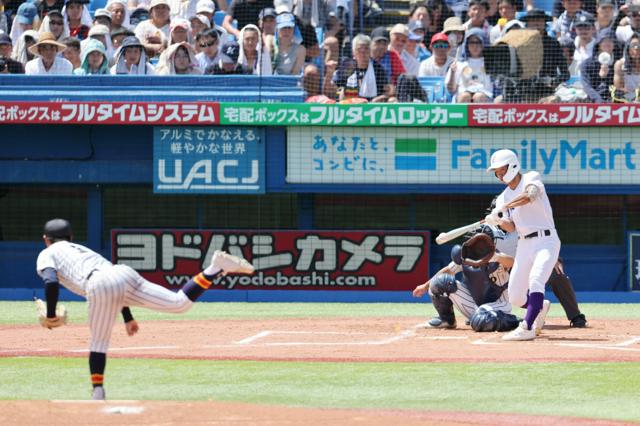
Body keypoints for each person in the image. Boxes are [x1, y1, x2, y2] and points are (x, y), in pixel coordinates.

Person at [36, 218, 255, 400]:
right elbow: (112, 282)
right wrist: (127, 316)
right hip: (123, 273)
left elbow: (51, 282)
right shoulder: (83, 250)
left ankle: (98, 394)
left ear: (46, 240)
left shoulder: (47, 253)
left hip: (99, 283)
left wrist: (51, 313)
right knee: (178, 303)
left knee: (99, 343)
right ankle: (215, 267)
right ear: (71, 238)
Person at [485, 149, 560, 341]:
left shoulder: (531, 178)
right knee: (516, 296)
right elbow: (511, 228)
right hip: (524, 243)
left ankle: (527, 326)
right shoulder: (502, 197)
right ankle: (540, 307)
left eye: (502, 170)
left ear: (512, 165)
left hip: (546, 240)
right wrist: (498, 220)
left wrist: (506, 207)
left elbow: (530, 195)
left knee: (536, 280)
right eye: (497, 172)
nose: (499, 176)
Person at [412, 229, 520, 332]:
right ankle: (447, 320)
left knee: (481, 320)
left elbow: (512, 263)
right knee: (440, 282)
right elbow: (448, 270)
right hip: (475, 305)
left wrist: (495, 257)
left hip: (499, 305)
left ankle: (515, 321)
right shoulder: (466, 255)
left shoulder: (498, 256)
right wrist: (425, 286)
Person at [521, 9, 570, 101]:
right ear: (527, 24)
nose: (536, 24)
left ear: (544, 24)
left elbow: (565, 74)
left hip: (546, 92)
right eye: (533, 21)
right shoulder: (519, 44)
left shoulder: (553, 44)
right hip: (523, 92)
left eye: (540, 21)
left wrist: (554, 81)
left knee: (552, 101)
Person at [330, 34, 391, 102]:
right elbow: (334, 85)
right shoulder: (347, 66)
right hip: (351, 103)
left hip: (372, 104)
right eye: (359, 49)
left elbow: (387, 91)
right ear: (353, 52)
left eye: (366, 49)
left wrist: (378, 99)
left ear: (370, 51)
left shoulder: (378, 69)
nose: (363, 53)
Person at [445, 28, 493, 103]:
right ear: (467, 44)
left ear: (484, 44)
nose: (475, 46)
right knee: (465, 96)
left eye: (478, 42)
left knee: (479, 97)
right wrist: (452, 73)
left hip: (484, 96)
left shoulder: (491, 62)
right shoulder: (459, 63)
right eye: (472, 42)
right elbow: (451, 90)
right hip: (462, 95)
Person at [581, 29, 618, 101]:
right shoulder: (587, 64)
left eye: (610, 41)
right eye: (604, 41)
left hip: (616, 100)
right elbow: (587, 86)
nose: (607, 43)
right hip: (594, 102)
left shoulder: (619, 63)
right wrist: (599, 101)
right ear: (598, 43)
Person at [613, 33, 640, 101]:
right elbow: (618, 88)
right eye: (633, 45)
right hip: (627, 100)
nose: (636, 49)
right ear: (628, 48)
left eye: (639, 46)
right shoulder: (620, 64)